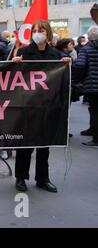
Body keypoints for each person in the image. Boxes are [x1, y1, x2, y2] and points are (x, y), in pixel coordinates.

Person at [12, 20, 71, 193]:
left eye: (41, 30)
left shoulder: (56, 54)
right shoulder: (23, 52)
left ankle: (42, 178)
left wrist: (66, 64)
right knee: (25, 144)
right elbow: (13, 78)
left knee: (44, 144)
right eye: (35, 30)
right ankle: (21, 177)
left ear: (48, 33)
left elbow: (63, 79)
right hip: (28, 105)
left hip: (48, 105)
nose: (38, 33)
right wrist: (14, 63)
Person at [73, 25, 98, 147]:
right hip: (92, 83)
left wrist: (77, 80)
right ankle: (92, 130)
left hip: (92, 84)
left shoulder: (86, 49)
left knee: (94, 110)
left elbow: (80, 65)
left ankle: (96, 137)